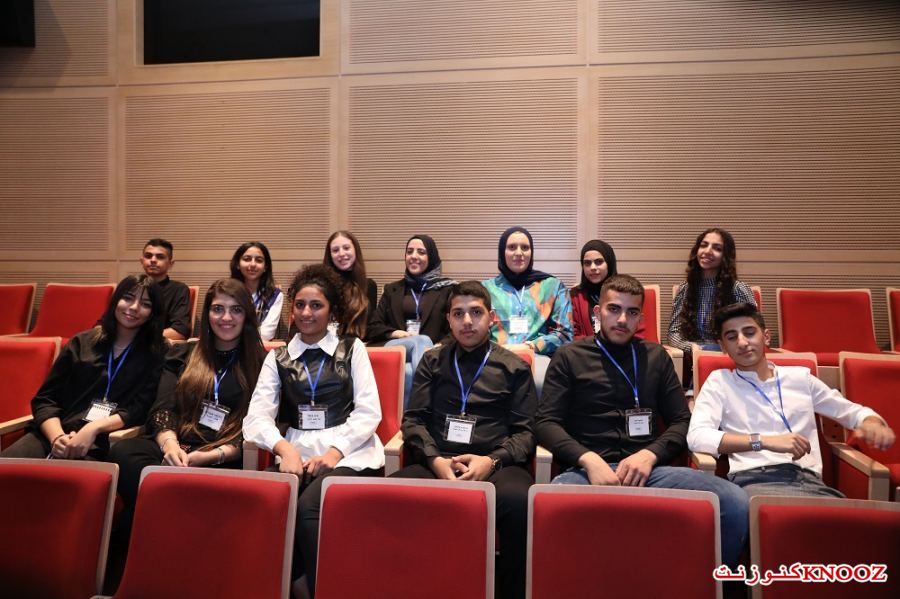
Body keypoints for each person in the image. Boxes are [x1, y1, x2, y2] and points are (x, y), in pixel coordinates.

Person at [535, 274, 748, 568]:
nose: (622, 319)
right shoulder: (569, 356)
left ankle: (698, 582)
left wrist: (649, 455)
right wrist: (588, 460)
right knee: (549, 508)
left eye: (632, 312)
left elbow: (681, 421)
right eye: (614, 309)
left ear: (640, 319)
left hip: (650, 471)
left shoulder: (655, 357)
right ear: (598, 312)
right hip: (586, 472)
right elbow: (545, 423)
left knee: (734, 502)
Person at [243, 264, 383, 596]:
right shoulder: (278, 357)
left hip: (350, 453)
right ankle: (293, 586)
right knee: (268, 503)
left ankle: (325, 589)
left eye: (316, 305)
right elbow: (256, 418)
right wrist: (284, 449)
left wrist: (334, 453)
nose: (307, 313)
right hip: (298, 452)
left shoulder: (352, 348)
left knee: (309, 507)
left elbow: (369, 412)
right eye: (301, 305)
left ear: (332, 311)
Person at [392, 280, 536, 599]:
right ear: (448, 319)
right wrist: (435, 460)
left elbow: (526, 433)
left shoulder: (514, 367)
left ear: (491, 317)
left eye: (476, 312)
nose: (467, 321)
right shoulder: (432, 360)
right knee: (392, 495)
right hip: (438, 459)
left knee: (519, 501)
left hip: (495, 464)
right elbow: (413, 421)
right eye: (458, 313)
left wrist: (491, 461)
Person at [688, 302, 895, 498]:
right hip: (756, 480)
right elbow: (697, 437)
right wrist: (763, 441)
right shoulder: (720, 382)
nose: (742, 342)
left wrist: (872, 423)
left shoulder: (799, 377)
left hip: (812, 483)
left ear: (766, 337)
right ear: (723, 346)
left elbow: (854, 413)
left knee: (856, 522)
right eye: (732, 337)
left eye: (749, 333)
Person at [109, 278, 267, 519]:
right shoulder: (183, 354)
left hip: (224, 453)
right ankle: (174, 517)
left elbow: (258, 423)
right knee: (125, 451)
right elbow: (164, 407)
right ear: (207, 314)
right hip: (177, 446)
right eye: (218, 309)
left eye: (236, 310)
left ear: (246, 316)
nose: (226, 318)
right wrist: (170, 445)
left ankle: (165, 518)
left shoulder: (260, 363)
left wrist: (212, 455)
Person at [1, 275, 166, 460]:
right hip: (55, 431)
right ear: (115, 301)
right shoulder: (81, 342)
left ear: (153, 313)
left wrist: (93, 427)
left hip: (103, 439)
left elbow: (139, 409)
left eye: (145, 304)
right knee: (7, 466)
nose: (134, 307)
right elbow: (45, 399)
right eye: (127, 298)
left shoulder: (156, 353)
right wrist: (57, 437)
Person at [482, 226, 573, 394]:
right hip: (494, 357)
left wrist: (532, 346)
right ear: (502, 252)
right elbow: (478, 331)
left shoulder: (552, 286)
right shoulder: (486, 289)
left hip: (537, 358)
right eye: (512, 247)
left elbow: (565, 334)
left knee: (543, 383)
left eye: (525, 247)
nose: (519, 253)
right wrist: (500, 349)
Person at [367, 234, 457, 405]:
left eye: (421, 252)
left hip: (432, 351)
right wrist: (396, 333)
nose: (414, 256)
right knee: (420, 340)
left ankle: (409, 417)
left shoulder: (448, 290)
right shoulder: (392, 289)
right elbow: (372, 327)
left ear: (431, 257)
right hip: (396, 348)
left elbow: (455, 329)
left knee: (408, 371)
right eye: (409, 252)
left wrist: (439, 345)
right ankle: (428, 406)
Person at [667, 228, 755, 353]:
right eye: (703, 245)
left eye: (717, 248)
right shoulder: (685, 288)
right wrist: (691, 348)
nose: (707, 251)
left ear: (726, 256)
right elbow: (673, 333)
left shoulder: (738, 289)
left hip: (729, 355)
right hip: (694, 355)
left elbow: (753, 331)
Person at [570, 239, 646, 340]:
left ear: (609, 263)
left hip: (624, 348)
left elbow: (638, 333)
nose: (592, 267)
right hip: (585, 349)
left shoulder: (628, 292)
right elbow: (572, 334)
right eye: (587, 263)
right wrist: (596, 346)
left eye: (598, 262)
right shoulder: (575, 296)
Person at [323, 230, 377, 340]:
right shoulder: (322, 284)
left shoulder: (369, 286)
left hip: (359, 345)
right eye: (335, 250)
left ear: (355, 250)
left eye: (346, 248)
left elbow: (370, 326)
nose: (341, 254)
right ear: (330, 256)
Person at [230, 241, 283, 341]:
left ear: (265, 267)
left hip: (258, 346)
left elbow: (267, 333)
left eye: (259, 260)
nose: (253, 264)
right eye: (247, 259)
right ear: (237, 264)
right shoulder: (227, 292)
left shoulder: (275, 295)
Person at [140, 238, 191, 340]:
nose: (153, 260)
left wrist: (139, 339)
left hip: (160, 346)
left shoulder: (179, 290)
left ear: (170, 264)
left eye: (160, 257)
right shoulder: (131, 287)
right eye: (148, 256)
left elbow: (180, 331)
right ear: (142, 261)